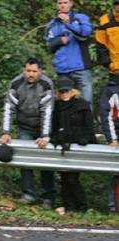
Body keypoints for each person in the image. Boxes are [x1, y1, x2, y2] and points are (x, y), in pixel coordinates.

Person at [0, 58, 56, 208]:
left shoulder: (46, 84)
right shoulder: (16, 83)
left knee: (46, 161)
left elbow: (47, 111)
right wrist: (5, 132)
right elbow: (8, 108)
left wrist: (45, 135)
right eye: (28, 71)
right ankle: (28, 194)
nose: (31, 74)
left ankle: (48, 197)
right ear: (24, 70)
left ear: (40, 71)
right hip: (24, 126)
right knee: (25, 159)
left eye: (34, 71)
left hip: (42, 126)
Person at [50, 77, 93, 214]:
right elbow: (54, 127)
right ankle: (68, 207)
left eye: (66, 91)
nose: (64, 94)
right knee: (64, 177)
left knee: (72, 178)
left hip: (79, 146)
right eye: (61, 91)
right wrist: (56, 139)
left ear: (73, 91)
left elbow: (89, 127)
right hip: (63, 145)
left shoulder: (82, 105)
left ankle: (82, 207)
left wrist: (84, 139)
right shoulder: (56, 106)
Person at [45, 0, 93, 103]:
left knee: (85, 102)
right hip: (62, 70)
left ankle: (87, 120)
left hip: (81, 68)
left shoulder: (80, 17)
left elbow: (86, 32)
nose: (62, 5)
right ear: (57, 5)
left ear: (71, 4)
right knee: (65, 103)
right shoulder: (52, 24)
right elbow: (49, 45)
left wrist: (68, 23)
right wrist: (59, 41)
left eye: (65, 2)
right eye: (60, 3)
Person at [101, 74, 119, 213]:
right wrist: (112, 139)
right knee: (117, 174)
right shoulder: (112, 89)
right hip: (117, 136)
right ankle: (114, 207)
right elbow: (106, 115)